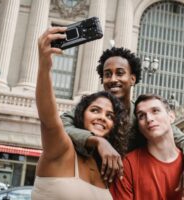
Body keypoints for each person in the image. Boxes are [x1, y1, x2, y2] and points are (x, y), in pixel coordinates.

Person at [61, 47, 184, 196]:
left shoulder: (144, 117)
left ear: (132, 79)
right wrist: (98, 141)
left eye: (120, 73)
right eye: (107, 74)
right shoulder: (91, 109)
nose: (113, 79)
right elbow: (60, 126)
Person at [31, 27, 129, 200]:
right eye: (95, 110)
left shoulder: (104, 169)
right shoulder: (62, 149)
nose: (102, 117)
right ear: (80, 115)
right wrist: (44, 66)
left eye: (110, 116)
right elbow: (49, 120)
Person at [110, 94, 184, 200]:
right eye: (141, 116)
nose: (149, 119)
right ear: (139, 127)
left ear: (171, 117)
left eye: (155, 111)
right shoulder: (127, 166)